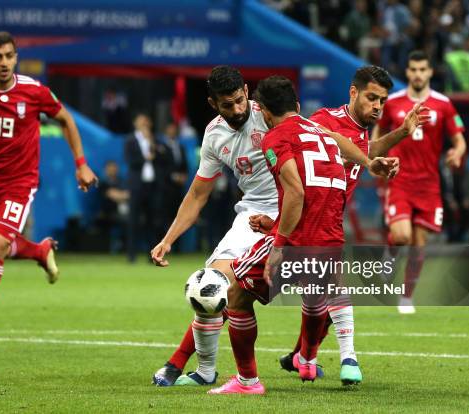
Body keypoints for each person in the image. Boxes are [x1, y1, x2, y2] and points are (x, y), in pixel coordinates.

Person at [208, 76, 398, 394]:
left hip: (297, 240)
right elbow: (341, 143)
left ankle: (247, 381)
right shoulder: (319, 130)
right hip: (331, 239)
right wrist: (368, 162)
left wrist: (279, 242)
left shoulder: (274, 139)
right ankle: (308, 358)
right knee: (315, 297)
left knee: (237, 296)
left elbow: (295, 191)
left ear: (265, 112)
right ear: (297, 107)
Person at [251, 66, 429, 384]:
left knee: (321, 297)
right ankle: (327, 358)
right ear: (353, 93)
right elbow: (307, 155)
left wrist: (399, 136)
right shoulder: (324, 120)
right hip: (303, 219)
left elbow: (365, 151)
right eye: (372, 98)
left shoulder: (360, 133)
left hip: (325, 219)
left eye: (382, 101)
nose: (377, 106)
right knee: (249, 289)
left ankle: (301, 356)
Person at [0, 31, 98, 343]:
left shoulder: (33, 90)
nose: (4, 62)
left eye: (9, 56)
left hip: (19, 183)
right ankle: (39, 251)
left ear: (16, 58)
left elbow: (66, 119)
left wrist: (81, 163)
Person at [151, 66, 279, 387]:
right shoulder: (214, 135)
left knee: (326, 289)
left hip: (293, 210)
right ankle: (204, 370)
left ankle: (322, 357)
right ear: (213, 103)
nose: (236, 110)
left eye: (239, 101)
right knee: (212, 284)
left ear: (247, 92)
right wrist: (169, 239)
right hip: (251, 215)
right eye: (227, 105)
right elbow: (197, 193)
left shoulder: (270, 113)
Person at [372, 50, 467, 314]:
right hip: (400, 180)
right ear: (407, 72)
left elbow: (459, 139)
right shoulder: (391, 103)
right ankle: (389, 257)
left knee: (419, 244)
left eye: (422, 69)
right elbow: (378, 133)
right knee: (401, 236)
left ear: (430, 72)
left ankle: (406, 297)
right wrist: (374, 158)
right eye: (413, 69)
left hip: (428, 184)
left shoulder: (443, 104)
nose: (417, 74)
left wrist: (457, 152)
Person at [124, 113, 168, 262]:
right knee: (133, 220)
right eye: (141, 121)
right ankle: (131, 255)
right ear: (135, 123)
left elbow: (163, 158)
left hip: (153, 186)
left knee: (153, 221)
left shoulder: (155, 140)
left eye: (146, 121)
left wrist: (151, 142)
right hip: (137, 186)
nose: (144, 124)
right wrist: (145, 158)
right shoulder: (130, 140)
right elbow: (130, 160)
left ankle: (152, 255)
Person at [160, 122, 188, 234]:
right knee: (166, 215)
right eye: (170, 129)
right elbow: (161, 166)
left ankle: (177, 246)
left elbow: (184, 165)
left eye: (174, 129)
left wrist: (184, 176)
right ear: (166, 131)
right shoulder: (161, 146)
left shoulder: (180, 147)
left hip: (179, 187)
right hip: (166, 187)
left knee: (178, 215)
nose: (172, 131)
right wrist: (173, 176)